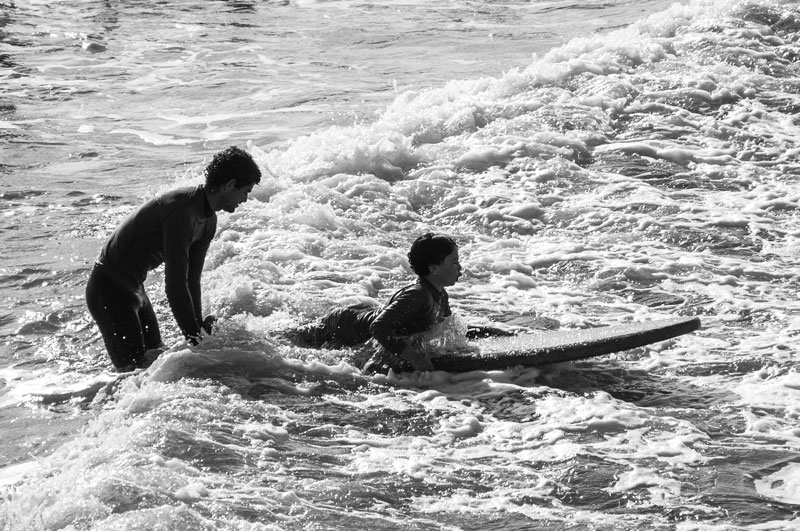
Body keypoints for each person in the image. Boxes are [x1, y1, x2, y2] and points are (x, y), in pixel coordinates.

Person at [85, 146, 262, 372]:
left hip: (135, 289)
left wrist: (198, 329)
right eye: (245, 192)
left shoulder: (208, 221)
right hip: (108, 290)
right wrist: (195, 339)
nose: (245, 199)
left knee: (154, 363)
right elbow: (175, 285)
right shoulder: (181, 211)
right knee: (132, 374)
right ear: (229, 185)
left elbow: (191, 280)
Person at [287, 233, 462, 373]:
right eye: (454, 262)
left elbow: (447, 328)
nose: (460, 267)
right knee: (291, 343)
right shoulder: (418, 295)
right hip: (343, 324)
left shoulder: (441, 295)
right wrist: (413, 357)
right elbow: (379, 327)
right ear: (434, 268)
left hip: (361, 314)